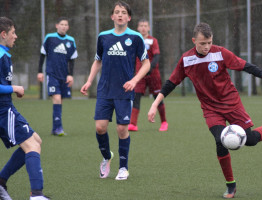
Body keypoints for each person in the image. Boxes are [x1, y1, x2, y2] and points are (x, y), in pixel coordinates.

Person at [148, 22, 262, 199]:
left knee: (250, 140)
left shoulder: (220, 53)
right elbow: (171, 84)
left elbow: (245, 66)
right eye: (202, 43)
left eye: (209, 42)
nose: (206, 46)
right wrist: (155, 104)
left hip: (232, 104)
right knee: (220, 140)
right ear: (194, 41)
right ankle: (231, 186)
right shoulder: (187, 60)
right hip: (211, 109)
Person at [80, 1, 150, 181]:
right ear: (112, 17)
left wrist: (134, 80)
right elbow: (97, 60)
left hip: (124, 92)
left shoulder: (135, 38)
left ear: (129, 17)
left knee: (121, 129)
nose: (120, 15)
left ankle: (123, 168)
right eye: (117, 12)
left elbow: (146, 63)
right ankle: (106, 157)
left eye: (123, 12)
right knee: (100, 127)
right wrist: (88, 81)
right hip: (104, 90)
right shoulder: (103, 37)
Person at [0, 16, 50, 200]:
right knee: (32, 145)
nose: (16, 36)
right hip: (3, 110)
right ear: (3, 34)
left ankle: (1, 181)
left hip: (6, 107)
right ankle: (36, 194)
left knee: (36, 140)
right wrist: (14, 88)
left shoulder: (4, 53)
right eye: (13, 33)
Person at [37, 17, 78, 136]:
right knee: (57, 98)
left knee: (60, 100)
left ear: (68, 27)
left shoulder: (71, 40)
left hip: (64, 76)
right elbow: (42, 55)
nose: (64, 26)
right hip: (52, 74)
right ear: (57, 25)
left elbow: (72, 60)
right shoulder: (50, 38)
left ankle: (55, 129)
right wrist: (40, 71)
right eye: (61, 24)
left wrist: (70, 75)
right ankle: (58, 128)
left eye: (66, 24)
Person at [128, 19, 168, 132]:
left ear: (149, 28)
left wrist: (149, 68)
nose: (143, 28)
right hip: (139, 75)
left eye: (145, 26)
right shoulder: (134, 40)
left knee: (158, 97)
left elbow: (157, 56)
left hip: (153, 74)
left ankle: (164, 122)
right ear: (138, 28)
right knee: (136, 97)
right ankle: (133, 124)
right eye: (141, 25)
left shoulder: (153, 41)